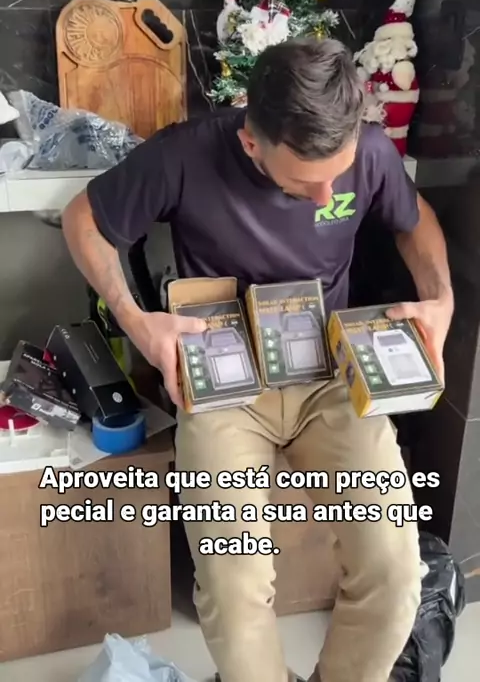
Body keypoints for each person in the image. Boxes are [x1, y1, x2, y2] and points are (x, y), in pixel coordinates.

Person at [62, 39, 453, 682]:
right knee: (233, 578)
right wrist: (137, 321)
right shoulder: (185, 153)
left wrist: (441, 299)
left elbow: (415, 220)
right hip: (223, 386)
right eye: (304, 182)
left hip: (330, 378)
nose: (327, 195)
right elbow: (84, 220)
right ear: (251, 143)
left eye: (338, 176)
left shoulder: (370, 151)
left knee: (394, 570)